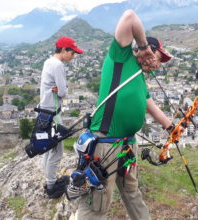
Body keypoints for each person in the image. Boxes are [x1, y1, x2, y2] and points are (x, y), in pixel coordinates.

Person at [75, 10, 173, 219]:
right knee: (98, 199)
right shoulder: (121, 57)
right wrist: (144, 46)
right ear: (149, 51)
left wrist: (170, 126)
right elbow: (129, 17)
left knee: (131, 191)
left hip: (127, 145)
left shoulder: (139, 77)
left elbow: (148, 103)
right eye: (158, 58)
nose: (158, 64)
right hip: (106, 142)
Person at [40, 36, 84, 199]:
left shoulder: (48, 61)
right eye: (72, 53)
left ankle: (48, 180)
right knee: (56, 151)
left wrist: (58, 88)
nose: (74, 56)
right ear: (64, 50)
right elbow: (64, 92)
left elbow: (59, 89)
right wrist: (61, 88)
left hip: (45, 110)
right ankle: (52, 187)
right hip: (54, 113)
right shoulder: (58, 65)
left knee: (47, 148)